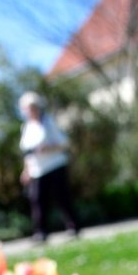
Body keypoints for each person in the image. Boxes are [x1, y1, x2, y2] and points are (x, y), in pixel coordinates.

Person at [18, 92, 80, 242]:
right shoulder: (26, 127)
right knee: (37, 200)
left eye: (32, 107)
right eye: (27, 108)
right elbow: (28, 152)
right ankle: (41, 232)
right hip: (37, 170)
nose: (30, 110)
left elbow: (64, 143)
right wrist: (26, 170)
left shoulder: (48, 122)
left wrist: (48, 148)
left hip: (55, 165)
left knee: (62, 198)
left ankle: (73, 227)